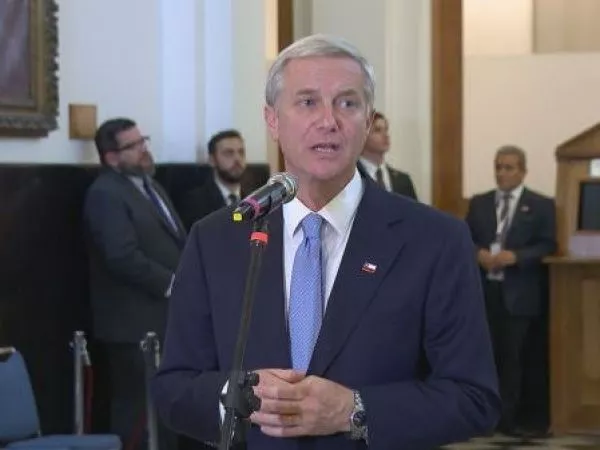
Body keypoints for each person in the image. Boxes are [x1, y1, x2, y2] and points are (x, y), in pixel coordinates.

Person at [151, 34, 500, 450]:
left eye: (347, 103)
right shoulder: (216, 240)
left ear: (368, 122)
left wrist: (354, 410)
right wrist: (237, 398)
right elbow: (174, 390)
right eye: (307, 102)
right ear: (272, 120)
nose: (328, 121)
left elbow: (473, 398)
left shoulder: (435, 240)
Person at [83, 118, 186, 450]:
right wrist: (171, 282)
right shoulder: (105, 194)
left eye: (144, 141)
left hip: (164, 321)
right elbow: (121, 256)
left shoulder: (151, 186)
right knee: (137, 413)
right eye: (133, 145)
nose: (144, 149)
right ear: (112, 157)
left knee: (164, 411)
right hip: (133, 327)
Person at [465, 145, 556, 436]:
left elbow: (548, 244)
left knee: (514, 359)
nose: (502, 173)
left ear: (523, 171)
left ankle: (509, 420)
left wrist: (517, 256)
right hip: (484, 292)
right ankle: (483, 416)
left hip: (519, 294)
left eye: (509, 168)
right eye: (498, 167)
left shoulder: (540, 205)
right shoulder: (480, 203)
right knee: (484, 357)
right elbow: (464, 238)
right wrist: (478, 253)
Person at [179, 129, 247, 231]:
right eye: (229, 153)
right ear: (212, 160)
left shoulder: (256, 197)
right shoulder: (194, 203)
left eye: (241, 152)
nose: (237, 159)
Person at [358, 110, 418, 200]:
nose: (386, 135)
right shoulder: (349, 178)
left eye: (386, 129)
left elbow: (414, 208)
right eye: (377, 130)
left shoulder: (403, 180)